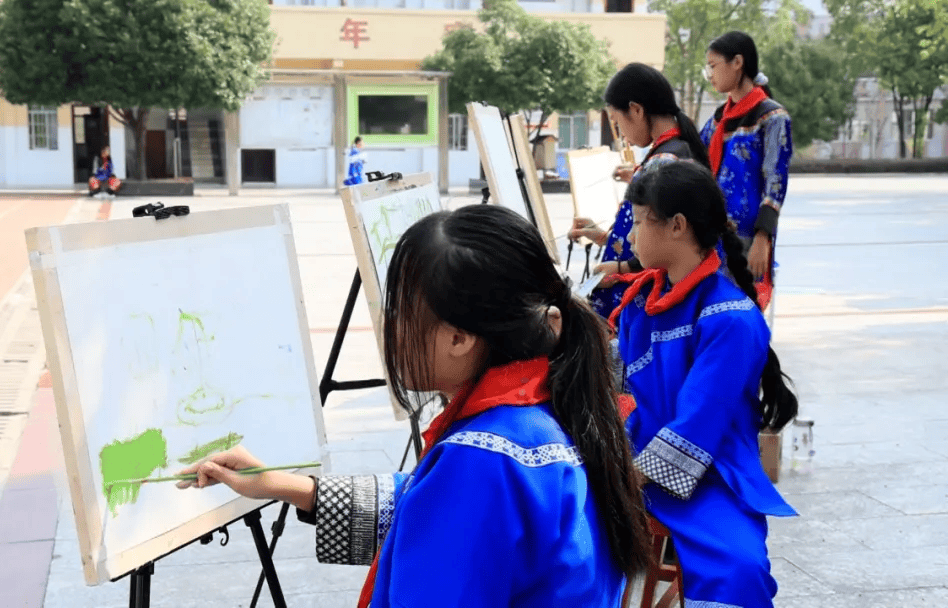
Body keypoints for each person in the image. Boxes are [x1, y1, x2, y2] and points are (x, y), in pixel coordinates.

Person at [179, 203, 652, 607]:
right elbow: (430, 505)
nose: (389, 327)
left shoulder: (481, 461)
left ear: (459, 337)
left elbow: (452, 508)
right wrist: (285, 485)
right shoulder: (555, 411)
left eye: (401, 311)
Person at [611, 161, 799, 608]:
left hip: (711, 475)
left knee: (739, 569)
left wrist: (621, 479)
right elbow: (619, 375)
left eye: (638, 222)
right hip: (635, 458)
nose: (631, 237)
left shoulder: (730, 318)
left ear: (677, 226)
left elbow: (697, 422)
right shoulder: (643, 302)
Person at [567, 63, 710, 319]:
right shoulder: (674, 151)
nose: (621, 133)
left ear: (636, 110)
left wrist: (622, 267)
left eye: (618, 122)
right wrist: (603, 237)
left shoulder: (663, 162)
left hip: (645, 289)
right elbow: (657, 229)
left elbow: (663, 241)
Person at [701, 31, 793, 310]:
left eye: (713, 66)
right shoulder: (719, 118)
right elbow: (696, 161)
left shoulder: (772, 118)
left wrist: (763, 238)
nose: (710, 74)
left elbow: (775, 182)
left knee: (743, 315)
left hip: (748, 239)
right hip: (713, 238)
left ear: (737, 62)